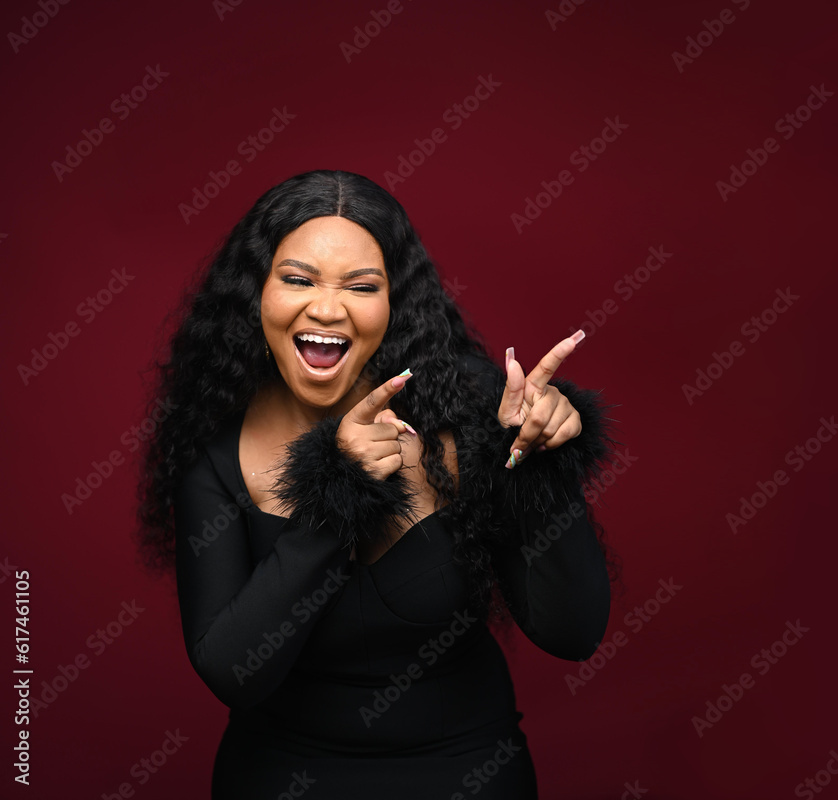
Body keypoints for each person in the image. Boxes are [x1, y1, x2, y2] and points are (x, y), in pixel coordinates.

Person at [134, 169, 619, 798]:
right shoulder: (214, 448)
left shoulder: (470, 406)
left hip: (466, 771)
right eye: (298, 279)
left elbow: (573, 633)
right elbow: (233, 671)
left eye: (361, 286)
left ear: (394, 304)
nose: (328, 308)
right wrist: (339, 493)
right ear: (257, 291)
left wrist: (537, 464)